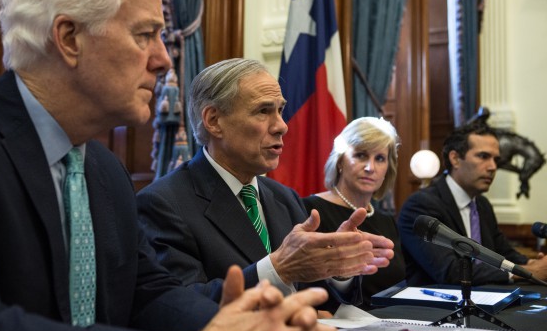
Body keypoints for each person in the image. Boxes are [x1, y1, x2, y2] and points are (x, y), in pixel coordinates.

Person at [0, 0, 340, 331]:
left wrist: (257, 323)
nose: (163, 58)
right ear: (70, 38)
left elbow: (150, 295)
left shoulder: (104, 169)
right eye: (145, 34)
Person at [137, 58, 395, 312]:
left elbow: (318, 300)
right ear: (214, 121)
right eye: (263, 111)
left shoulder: (286, 198)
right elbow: (179, 306)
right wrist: (278, 269)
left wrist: (337, 269)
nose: (282, 126)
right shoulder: (164, 203)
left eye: (280, 110)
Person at [397, 121, 547, 286]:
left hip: (485, 300)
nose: (493, 167)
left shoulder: (482, 205)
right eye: (483, 156)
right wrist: (527, 272)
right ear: (455, 159)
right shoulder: (421, 205)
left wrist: (533, 264)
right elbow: (450, 271)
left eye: (496, 159)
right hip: (434, 307)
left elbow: (504, 253)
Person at [302, 117, 406, 309]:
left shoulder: (387, 221)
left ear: (387, 170)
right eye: (360, 155)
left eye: (380, 158)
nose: (370, 167)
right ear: (340, 161)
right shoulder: (310, 210)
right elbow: (304, 286)